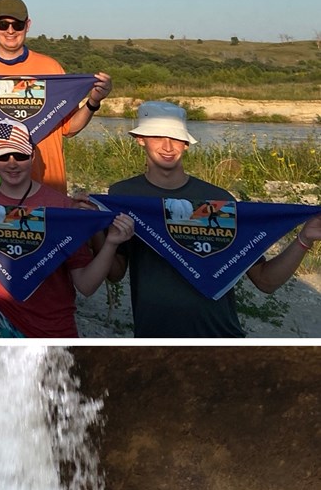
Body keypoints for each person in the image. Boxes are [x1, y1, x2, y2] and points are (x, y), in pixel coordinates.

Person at [107, 101, 321, 337]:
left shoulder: (218, 199)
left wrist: (304, 238)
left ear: (186, 143)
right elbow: (114, 273)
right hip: (155, 338)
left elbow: (265, 281)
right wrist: (95, 224)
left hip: (220, 336)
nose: (168, 146)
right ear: (140, 139)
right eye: (157, 136)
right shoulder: (122, 196)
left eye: (176, 137)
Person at [0, 120, 133, 338]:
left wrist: (111, 243)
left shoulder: (61, 206)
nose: (12, 163)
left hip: (50, 320)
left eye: (20, 155)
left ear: (32, 156)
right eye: (3, 156)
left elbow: (86, 285)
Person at [0, 0, 111, 190]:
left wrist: (93, 102)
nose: (10, 30)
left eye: (18, 24)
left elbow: (70, 129)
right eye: (3, 24)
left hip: (48, 187)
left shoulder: (51, 68)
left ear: (27, 25)